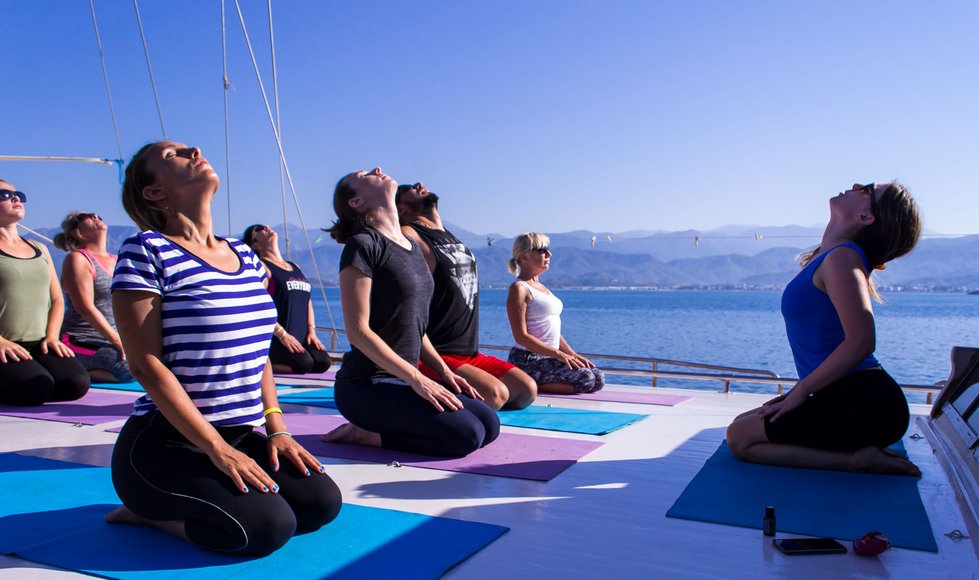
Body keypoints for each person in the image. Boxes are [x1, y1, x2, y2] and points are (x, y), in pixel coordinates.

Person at [107, 142, 341, 557]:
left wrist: (278, 429)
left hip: (239, 433)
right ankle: (145, 513)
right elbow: (145, 363)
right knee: (267, 529)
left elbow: (258, 353)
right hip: (167, 444)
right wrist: (217, 450)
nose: (194, 149)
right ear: (154, 192)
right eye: (172, 155)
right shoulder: (146, 251)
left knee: (320, 504)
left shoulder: (244, 255)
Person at [726, 182, 922, 476]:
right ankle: (858, 449)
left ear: (865, 218)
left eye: (867, 189)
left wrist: (801, 391)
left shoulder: (843, 257)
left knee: (740, 439)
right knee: (742, 423)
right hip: (844, 395)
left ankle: (858, 461)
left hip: (867, 402)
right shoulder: (831, 256)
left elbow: (862, 341)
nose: (857, 185)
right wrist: (798, 391)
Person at [321, 168, 500, 457]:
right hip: (366, 385)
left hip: (404, 378)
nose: (377, 170)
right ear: (355, 201)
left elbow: (416, 327)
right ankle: (365, 434)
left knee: (489, 425)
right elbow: (358, 331)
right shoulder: (363, 245)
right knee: (467, 436)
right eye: (365, 174)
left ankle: (383, 425)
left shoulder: (413, 248)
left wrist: (444, 372)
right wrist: (418, 379)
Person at [396, 182, 536, 410]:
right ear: (401, 209)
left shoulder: (449, 236)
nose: (420, 184)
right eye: (410, 187)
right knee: (494, 395)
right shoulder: (409, 235)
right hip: (435, 353)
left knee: (526, 391)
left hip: (468, 352)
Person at [0, 179, 89, 406]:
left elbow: (57, 299)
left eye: (17, 194)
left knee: (76, 384)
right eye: (4, 195)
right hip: (3, 345)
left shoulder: (40, 249)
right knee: (35, 389)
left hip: (38, 343)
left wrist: (51, 336)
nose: (16, 198)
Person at [505, 233, 605, 394]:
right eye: (542, 250)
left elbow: (551, 331)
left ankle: (530, 383)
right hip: (528, 359)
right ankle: (525, 385)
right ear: (524, 256)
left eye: (548, 250)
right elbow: (521, 336)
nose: (549, 254)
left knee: (598, 379)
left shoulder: (543, 289)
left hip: (548, 357)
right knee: (585, 379)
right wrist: (558, 354)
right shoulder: (519, 288)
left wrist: (571, 354)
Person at [54, 211, 134, 383]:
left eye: (98, 215)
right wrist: (119, 342)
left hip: (113, 339)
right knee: (131, 367)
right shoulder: (77, 259)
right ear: (76, 232)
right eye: (87, 217)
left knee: (157, 359)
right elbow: (85, 307)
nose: (95, 217)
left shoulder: (117, 260)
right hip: (79, 340)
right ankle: (67, 372)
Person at [243, 224, 331, 376]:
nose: (265, 227)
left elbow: (307, 301)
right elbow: (258, 305)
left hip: (301, 337)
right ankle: (261, 364)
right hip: (277, 338)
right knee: (303, 364)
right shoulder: (262, 268)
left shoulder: (294, 266)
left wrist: (312, 331)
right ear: (255, 245)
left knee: (323, 362)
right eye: (258, 230)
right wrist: (282, 335)